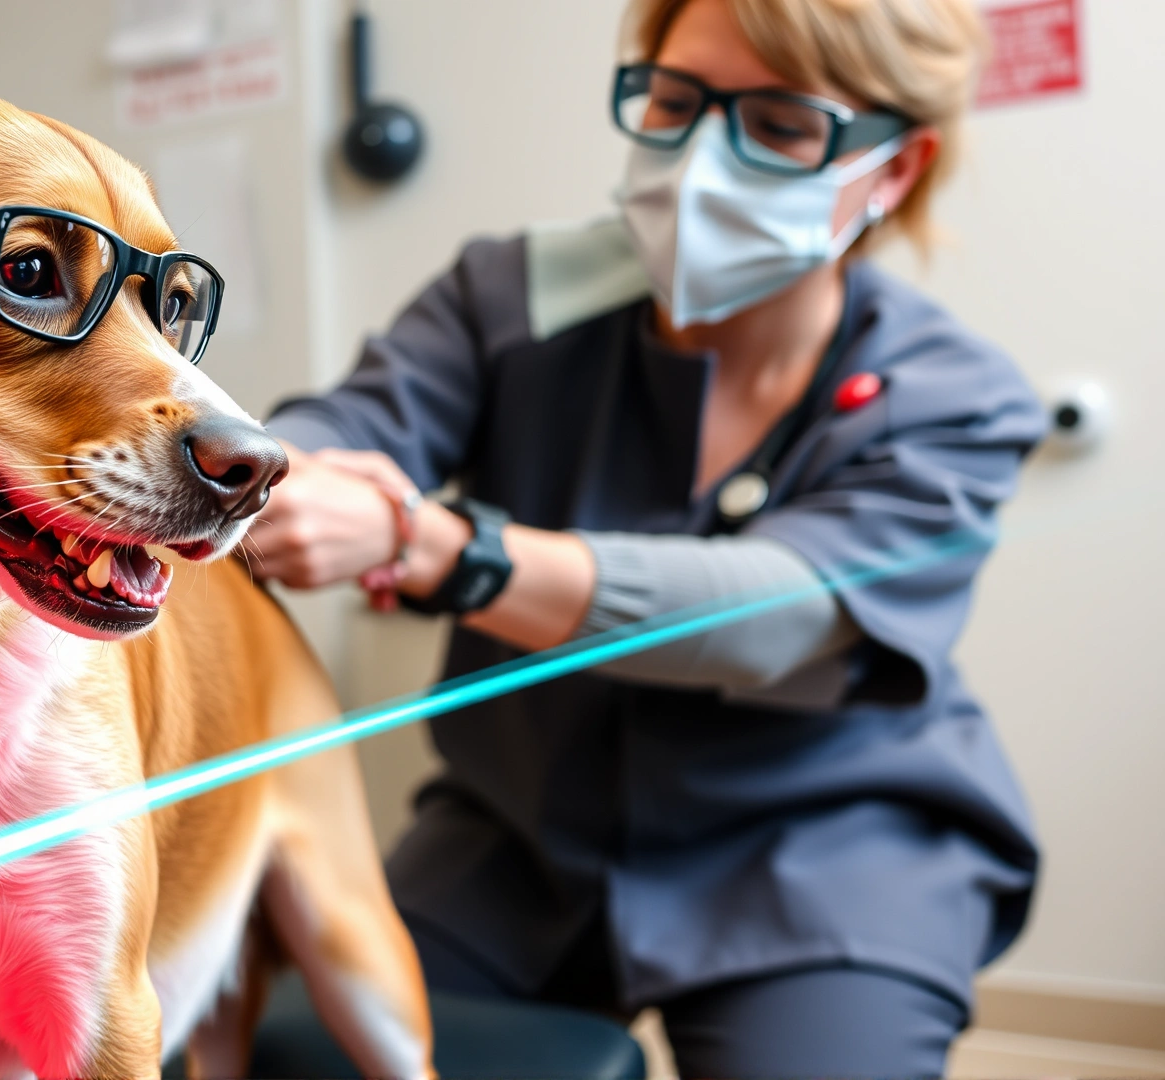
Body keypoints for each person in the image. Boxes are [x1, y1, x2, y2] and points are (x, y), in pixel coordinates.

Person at [246, 0, 1044, 1075]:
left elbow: (780, 610)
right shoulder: (507, 294)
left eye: (777, 126)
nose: (701, 157)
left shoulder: (958, 395)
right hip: (518, 835)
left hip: (821, 850)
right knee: (303, 1052)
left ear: (894, 169)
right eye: (673, 102)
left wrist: (444, 550)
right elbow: (346, 425)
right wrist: (291, 469)